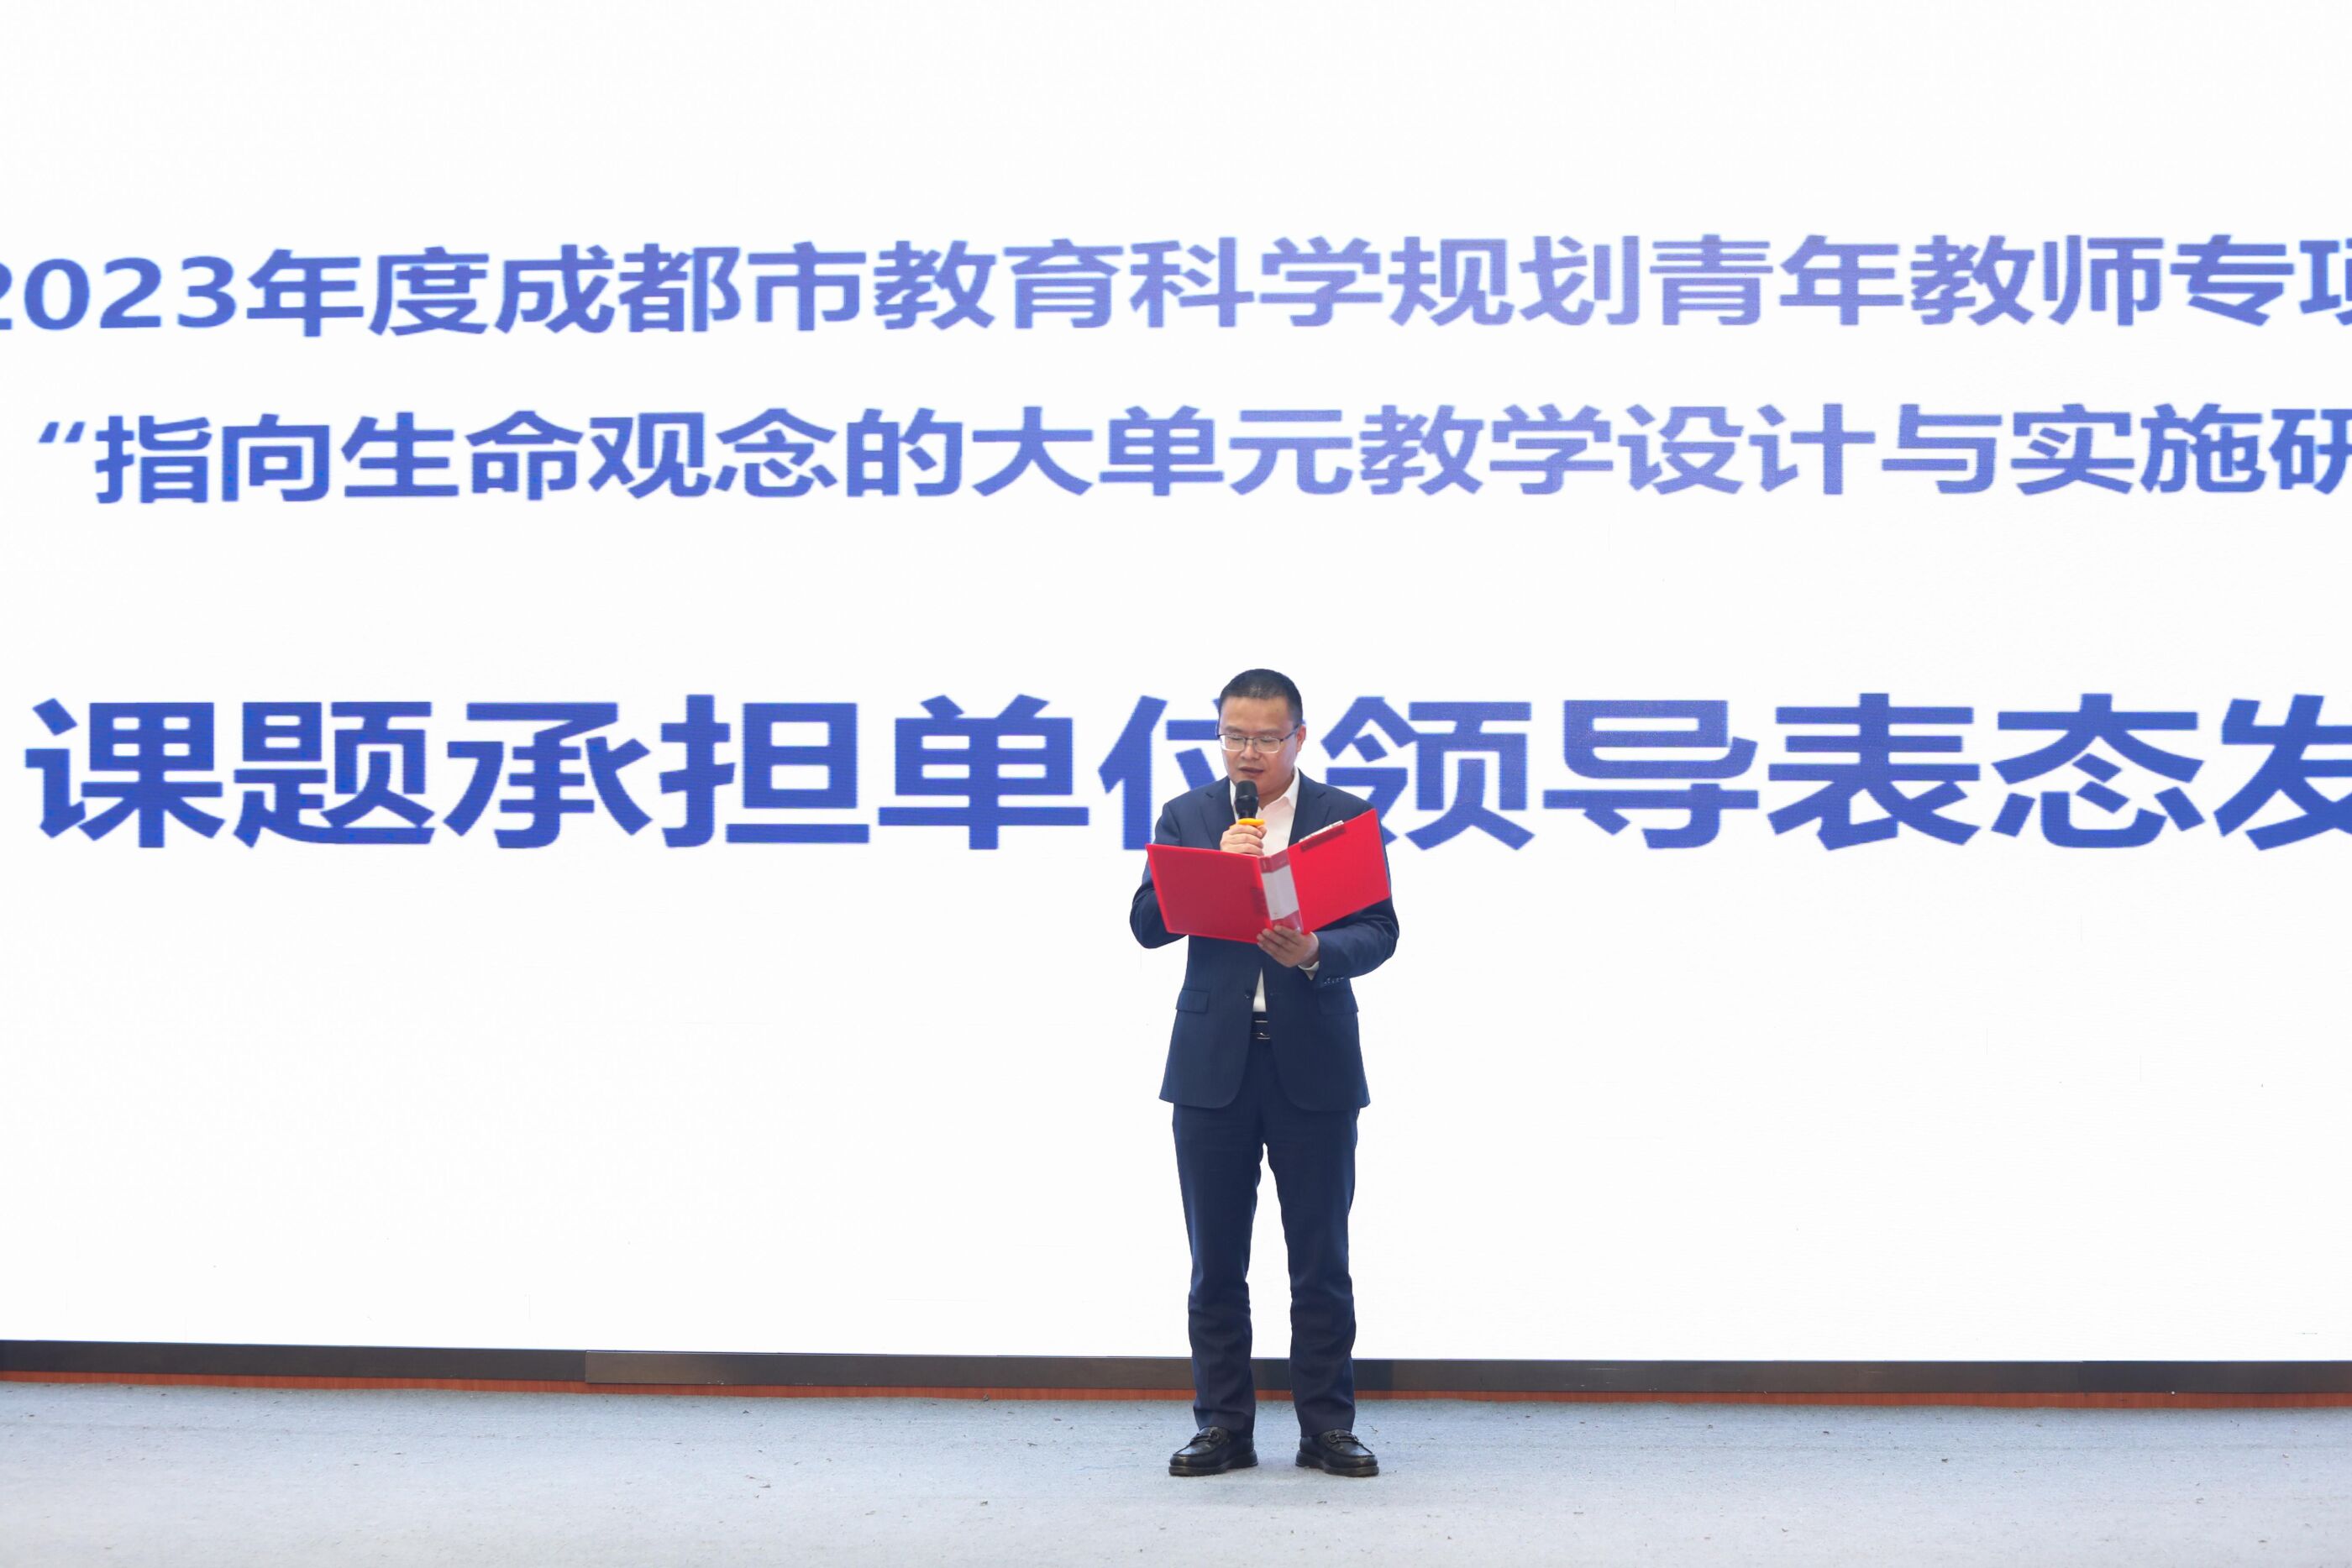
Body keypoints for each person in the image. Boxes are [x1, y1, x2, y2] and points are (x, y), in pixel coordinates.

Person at [1127, 668, 1399, 1479]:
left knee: (1321, 1259)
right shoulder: (1190, 815)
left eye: (1266, 738)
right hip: (1213, 1063)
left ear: (1299, 737)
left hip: (1313, 1059)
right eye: (1234, 736)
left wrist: (1317, 950)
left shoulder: (1343, 818)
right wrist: (1210, 865)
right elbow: (1145, 924)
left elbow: (1380, 931)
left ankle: (1328, 1428)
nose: (1249, 753)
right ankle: (1222, 1426)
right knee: (1216, 1261)